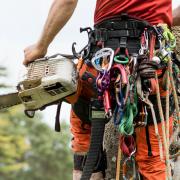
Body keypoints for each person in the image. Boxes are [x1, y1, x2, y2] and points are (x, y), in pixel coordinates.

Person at [23, 0, 180, 179]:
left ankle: (87, 172)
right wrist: (165, 18)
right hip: (150, 63)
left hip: (101, 58)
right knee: (153, 161)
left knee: (84, 140)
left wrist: (40, 47)